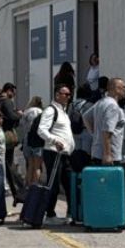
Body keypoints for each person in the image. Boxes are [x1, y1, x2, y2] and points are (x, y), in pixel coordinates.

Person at [37, 83, 75, 223]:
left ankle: (71, 213)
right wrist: (54, 141)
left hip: (65, 154)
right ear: (57, 95)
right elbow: (41, 130)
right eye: (65, 94)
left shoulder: (63, 111)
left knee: (69, 183)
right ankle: (49, 214)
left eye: (69, 94)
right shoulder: (51, 110)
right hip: (54, 153)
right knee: (54, 184)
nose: (68, 97)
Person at [0, 83, 22, 200]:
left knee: (3, 162)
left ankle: (7, 185)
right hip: (6, 134)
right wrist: (19, 115)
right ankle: (12, 187)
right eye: (13, 92)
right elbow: (11, 117)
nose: (14, 95)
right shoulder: (7, 102)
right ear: (9, 90)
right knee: (8, 163)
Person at [20, 96, 44, 187]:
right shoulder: (41, 112)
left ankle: (28, 186)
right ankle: (35, 187)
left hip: (27, 139)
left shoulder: (26, 112)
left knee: (30, 165)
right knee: (37, 166)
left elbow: (21, 124)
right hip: (38, 140)